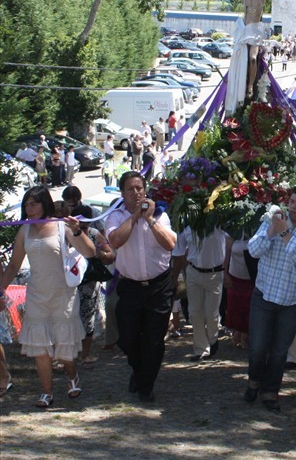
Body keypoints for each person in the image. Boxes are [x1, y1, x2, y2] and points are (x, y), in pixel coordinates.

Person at [0, 186, 96, 408]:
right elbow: (14, 265)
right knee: (40, 347)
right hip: (37, 295)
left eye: (33, 203)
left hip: (63, 294)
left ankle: (72, 377)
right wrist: (1, 289)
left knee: (64, 346)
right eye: (26, 204)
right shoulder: (24, 230)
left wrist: (77, 231)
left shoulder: (62, 226)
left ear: (45, 204)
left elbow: (90, 252)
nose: (29, 208)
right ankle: (46, 391)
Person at [244, 184, 296, 412]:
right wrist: (271, 230)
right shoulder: (271, 220)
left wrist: (285, 232)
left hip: (291, 301)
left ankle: (270, 392)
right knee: (257, 348)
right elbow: (253, 250)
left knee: (279, 352)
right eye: (292, 202)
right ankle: (254, 381)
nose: (293, 207)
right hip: (264, 295)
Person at [106, 171, 177, 403]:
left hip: (159, 286)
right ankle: (138, 371)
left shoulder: (160, 215)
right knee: (127, 338)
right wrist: (135, 216)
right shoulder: (116, 216)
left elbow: (170, 245)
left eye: (139, 188)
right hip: (130, 287)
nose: (136, 193)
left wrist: (148, 219)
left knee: (154, 340)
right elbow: (115, 241)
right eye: (130, 189)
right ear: (122, 193)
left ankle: (146, 385)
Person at [216, 0, 296, 108]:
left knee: (253, 59)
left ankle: (249, 86)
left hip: (254, 30)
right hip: (244, 30)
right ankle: (238, 84)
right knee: (238, 57)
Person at [172, 226, 226, 362]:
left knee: (211, 314)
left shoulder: (217, 221)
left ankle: (213, 339)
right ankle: (201, 349)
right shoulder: (186, 225)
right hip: (193, 271)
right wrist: (174, 275)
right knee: (195, 312)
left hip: (215, 273)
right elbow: (179, 251)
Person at [71, 204, 115, 366]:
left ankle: (85, 354)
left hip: (89, 281)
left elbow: (111, 256)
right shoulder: (66, 234)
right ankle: (68, 354)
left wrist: (99, 254)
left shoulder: (95, 235)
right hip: (69, 282)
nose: (83, 228)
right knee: (69, 317)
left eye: (85, 225)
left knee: (87, 317)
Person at [223, 236, 254, 349]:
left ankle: (246, 335)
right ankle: (238, 332)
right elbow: (226, 254)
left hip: (252, 278)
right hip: (235, 276)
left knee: (249, 308)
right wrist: (224, 273)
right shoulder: (233, 231)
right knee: (235, 307)